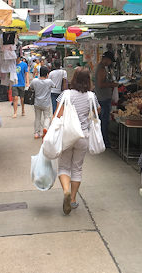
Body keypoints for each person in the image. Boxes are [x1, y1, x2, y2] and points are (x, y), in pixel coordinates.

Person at [55, 67, 100, 215]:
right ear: (88, 80)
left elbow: (58, 115)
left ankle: (66, 191)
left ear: (74, 79)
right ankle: (73, 199)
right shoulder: (91, 96)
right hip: (83, 137)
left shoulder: (66, 94)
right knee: (77, 168)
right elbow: (97, 110)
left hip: (67, 136)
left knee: (63, 166)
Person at [94, 51, 117, 148]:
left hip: (103, 98)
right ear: (107, 59)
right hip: (103, 99)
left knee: (103, 120)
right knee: (104, 121)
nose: (110, 63)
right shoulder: (101, 69)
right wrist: (113, 84)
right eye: (110, 61)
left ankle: (102, 141)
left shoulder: (102, 68)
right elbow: (100, 84)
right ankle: (104, 142)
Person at [29, 66, 55, 139]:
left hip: (37, 103)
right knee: (47, 117)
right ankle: (45, 128)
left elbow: (30, 88)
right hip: (46, 103)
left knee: (37, 118)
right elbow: (54, 86)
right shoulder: (49, 81)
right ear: (47, 74)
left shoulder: (34, 81)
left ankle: (36, 133)